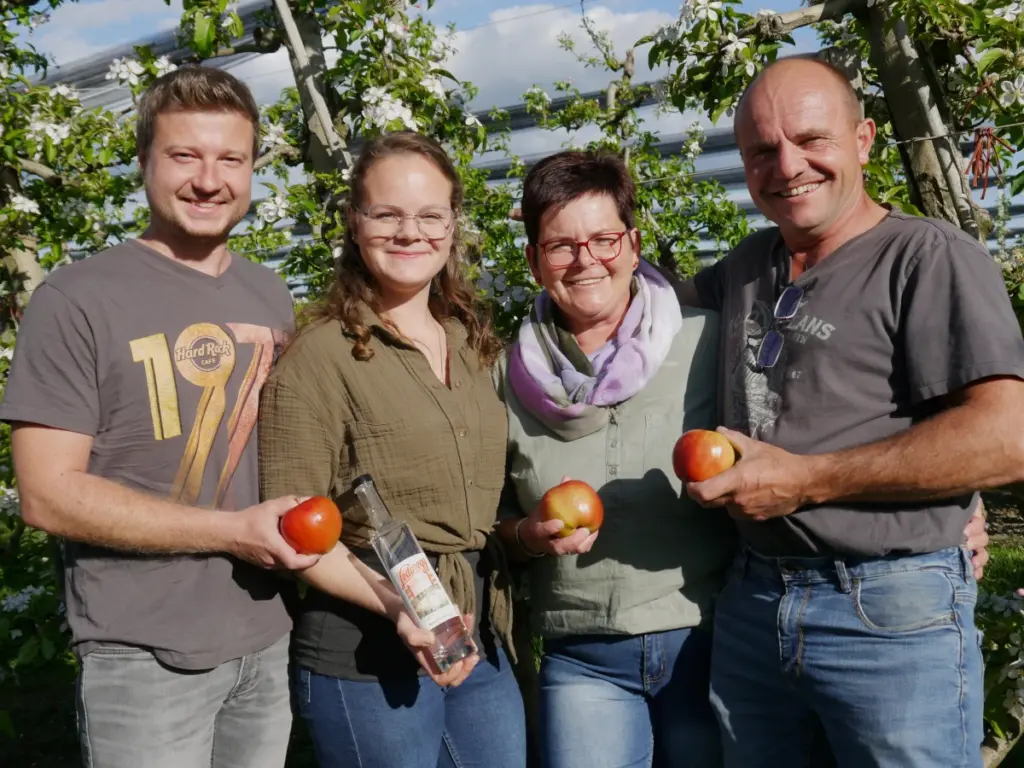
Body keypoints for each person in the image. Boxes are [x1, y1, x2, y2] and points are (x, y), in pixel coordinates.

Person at [672, 55, 1024, 767]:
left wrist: (809, 480)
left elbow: (1007, 436)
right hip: (754, 604)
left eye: (812, 140)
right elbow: (633, 316)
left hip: (887, 609)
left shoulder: (927, 258)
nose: (788, 165)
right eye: (762, 151)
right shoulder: (744, 267)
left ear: (863, 139)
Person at [0, 66, 320, 768]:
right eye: (184, 156)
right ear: (143, 161)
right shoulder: (78, 300)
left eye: (230, 159)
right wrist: (232, 534)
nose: (209, 180)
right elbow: (47, 495)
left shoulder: (269, 294)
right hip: (140, 655)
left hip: (264, 639)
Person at [257, 131, 527, 768]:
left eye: (431, 215)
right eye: (387, 214)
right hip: (366, 657)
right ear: (355, 223)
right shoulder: (320, 358)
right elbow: (295, 529)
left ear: (453, 223)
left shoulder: (471, 342)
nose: (411, 232)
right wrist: (395, 606)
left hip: (472, 631)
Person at [493, 148, 731, 768]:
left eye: (603, 238)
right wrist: (529, 535)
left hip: (707, 639)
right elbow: (486, 524)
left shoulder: (708, 340)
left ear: (632, 243)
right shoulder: (505, 378)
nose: (586, 260)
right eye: (561, 245)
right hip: (581, 654)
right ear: (532, 260)